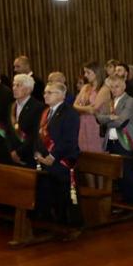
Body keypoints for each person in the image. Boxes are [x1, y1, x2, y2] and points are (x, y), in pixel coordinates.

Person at [33, 82, 82, 227]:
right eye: (45, 92)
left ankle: (71, 226)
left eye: (50, 92)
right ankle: (54, 223)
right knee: (50, 195)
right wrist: (37, 152)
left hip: (62, 162)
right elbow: (38, 135)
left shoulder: (70, 113)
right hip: (45, 160)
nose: (45, 95)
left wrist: (53, 156)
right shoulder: (45, 112)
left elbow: (69, 140)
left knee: (65, 197)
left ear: (61, 95)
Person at [97, 76, 133, 205]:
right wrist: (110, 117)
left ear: (124, 86)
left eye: (117, 86)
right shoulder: (109, 102)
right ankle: (125, 200)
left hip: (125, 140)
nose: (114, 89)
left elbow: (121, 122)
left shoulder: (130, 101)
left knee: (128, 174)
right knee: (118, 175)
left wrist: (107, 120)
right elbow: (98, 117)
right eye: (112, 87)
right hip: (111, 142)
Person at [8, 74, 43, 166]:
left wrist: (18, 152)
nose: (14, 88)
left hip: (28, 155)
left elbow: (35, 135)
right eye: (14, 85)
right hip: (11, 155)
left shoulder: (37, 107)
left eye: (18, 85)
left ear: (28, 90)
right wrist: (11, 151)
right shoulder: (11, 106)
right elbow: (8, 131)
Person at [74, 62, 109, 153]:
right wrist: (86, 108)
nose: (85, 75)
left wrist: (81, 108)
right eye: (85, 72)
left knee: (97, 154)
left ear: (96, 72)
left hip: (96, 126)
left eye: (88, 72)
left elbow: (93, 109)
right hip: (83, 124)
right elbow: (74, 105)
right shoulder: (85, 87)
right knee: (84, 154)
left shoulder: (104, 89)